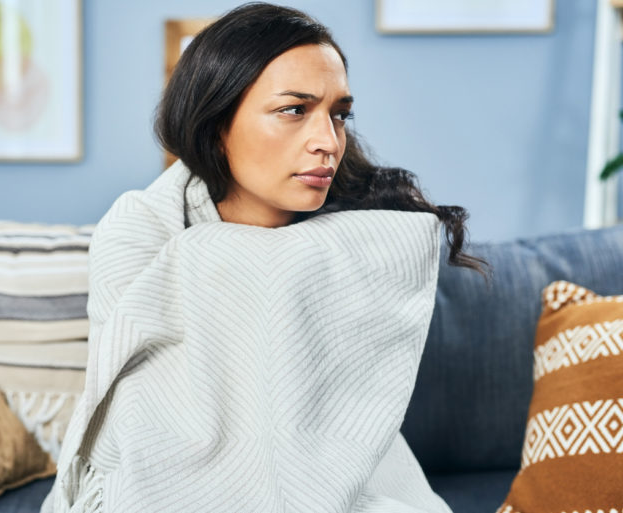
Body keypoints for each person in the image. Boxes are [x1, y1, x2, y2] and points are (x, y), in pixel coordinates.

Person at [42, 3, 485, 512]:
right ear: (216, 124)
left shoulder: (361, 246)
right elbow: (142, 427)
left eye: (338, 115)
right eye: (294, 110)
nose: (328, 142)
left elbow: (335, 433)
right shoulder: (142, 232)